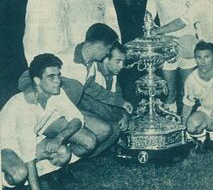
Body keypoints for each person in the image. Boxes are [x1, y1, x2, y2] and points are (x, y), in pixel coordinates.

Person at [19, 23, 132, 157]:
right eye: (108, 49)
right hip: (48, 115)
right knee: (89, 141)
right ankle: (50, 155)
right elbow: (27, 74)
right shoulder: (65, 58)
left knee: (104, 130)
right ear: (100, 46)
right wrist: (28, 88)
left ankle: (63, 158)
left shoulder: (90, 64)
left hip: (68, 111)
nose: (108, 53)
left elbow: (93, 89)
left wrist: (120, 102)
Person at [1, 54, 90, 189]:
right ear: (37, 80)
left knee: (63, 153)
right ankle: (7, 180)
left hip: (29, 142)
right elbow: (28, 152)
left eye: (58, 75)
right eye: (51, 76)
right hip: (5, 145)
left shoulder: (55, 93)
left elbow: (77, 118)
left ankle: (31, 176)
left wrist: (59, 137)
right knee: (19, 173)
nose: (58, 80)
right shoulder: (25, 106)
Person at [145, 0, 202, 113]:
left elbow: (199, 21)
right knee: (169, 92)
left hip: (189, 46)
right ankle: (171, 123)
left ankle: (188, 128)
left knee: (189, 91)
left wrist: (201, 42)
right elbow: (148, 22)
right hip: (167, 46)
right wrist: (162, 37)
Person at [80, 41, 130, 146]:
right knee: (113, 126)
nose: (122, 66)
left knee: (124, 124)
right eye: (118, 61)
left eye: (123, 62)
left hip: (103, 117)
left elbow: (119, 100)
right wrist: (119, 116)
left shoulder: (113, 77)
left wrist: (125, 115)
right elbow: (98, 106)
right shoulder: (91, 73)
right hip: (82, 117)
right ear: (106, 59)